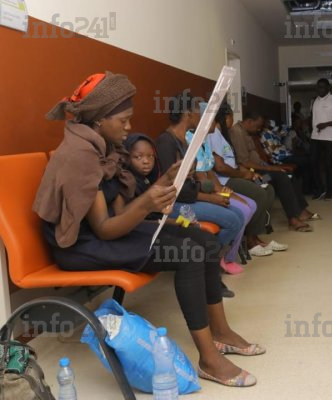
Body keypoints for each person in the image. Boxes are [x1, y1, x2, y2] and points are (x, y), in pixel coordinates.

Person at [34, 72, 263, 387]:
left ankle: (221, 333)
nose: (129, 126)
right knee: (189, 252)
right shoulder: (80, 157)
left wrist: (164, 181)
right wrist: (147, 203)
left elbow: (120, 212)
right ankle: (209, 358)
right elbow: (105, 229)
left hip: (105, 233)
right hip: (80, 246)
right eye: (124, 120)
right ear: (99, 119)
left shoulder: (101, 147)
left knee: (204, 239)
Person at [123, 133, 235, 296]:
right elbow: (138, 221)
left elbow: (156, 217)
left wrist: (178, 221)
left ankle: (213, 286)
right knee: (194, 247)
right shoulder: (127, 183)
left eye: (150, 156)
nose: (146, 161)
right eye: (138, 157)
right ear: (127, 158)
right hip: (141, 236)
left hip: (157, 226)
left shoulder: (150, 178)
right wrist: (174, 222)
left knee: (206, 239)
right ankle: (206, 287)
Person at [155, 93, 250, 276]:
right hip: (174, 204)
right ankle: (208, 261)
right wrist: (211, 198)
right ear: (188, 113)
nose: (202, 115)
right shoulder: (166, 142)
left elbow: (192, 181)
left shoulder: (184, 141)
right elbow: (174, 189)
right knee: (233, 221)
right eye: (199, 111)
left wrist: (213, 193)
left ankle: (209, 259)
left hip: (190, 197)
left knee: (238, 215)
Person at [212, 103, 289, 255]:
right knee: (260, 192)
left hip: (243, 172)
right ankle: (251, 241)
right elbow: (222, 167)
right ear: (225, 117)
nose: (232, 121)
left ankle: (256, 235)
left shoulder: (224, 134)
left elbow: (234, 163)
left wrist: (251, 174)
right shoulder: (217, 134)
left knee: (267, 186)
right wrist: (245, 174)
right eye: (231, 117)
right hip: (226, 180)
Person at [230, 112, 320, 232]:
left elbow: (255, 159)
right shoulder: (237, 132)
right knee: (282, 177)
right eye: (257, 126)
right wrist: (272, 168)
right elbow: (244, 162)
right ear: (249, 122)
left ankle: (301, 211)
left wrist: (272, 167)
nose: (258, 129)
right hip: (254, 177)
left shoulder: (247, 132)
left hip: (260, 170)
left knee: (289, 175)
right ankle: (293, 218)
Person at [310, 78, 332, 201]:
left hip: (329, 138)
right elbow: (314, 118)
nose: (320, 89)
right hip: (315, 136)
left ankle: (329, 191)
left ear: (328, 88)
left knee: (328, 164)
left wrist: (326, 124)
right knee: (313, 162)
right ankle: (320, 189)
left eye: (322, 87)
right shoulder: (315, 101)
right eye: (318, 87)